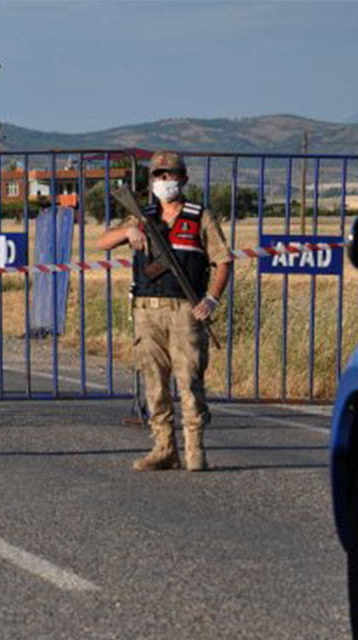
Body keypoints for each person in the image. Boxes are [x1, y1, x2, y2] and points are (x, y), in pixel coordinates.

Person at [96, 151, 233, 472]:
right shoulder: (141, 216)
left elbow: (223, 261)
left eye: (170, 175)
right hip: (147, 308)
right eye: (158, 176)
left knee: (189, 380)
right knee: (155, 382)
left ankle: (195, 449)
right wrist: (128, 233)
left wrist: (212, 299)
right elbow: (103, 242)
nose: (164, 181)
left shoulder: (200, 216)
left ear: (183, 179)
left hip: (185, 310)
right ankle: (164, 447)